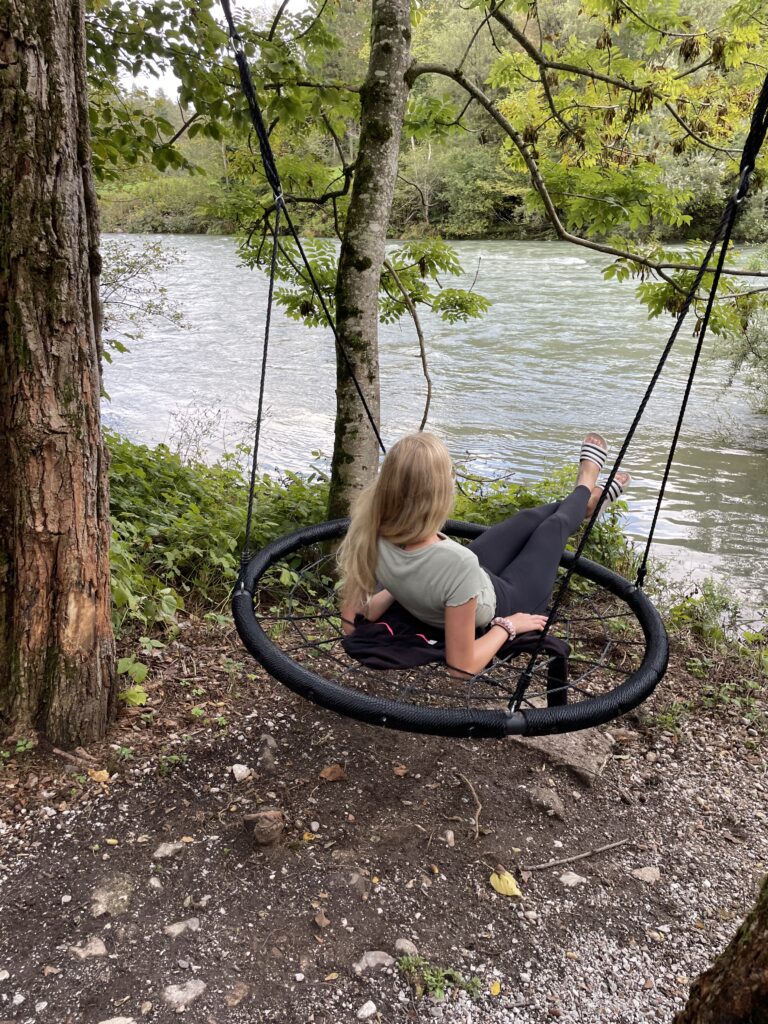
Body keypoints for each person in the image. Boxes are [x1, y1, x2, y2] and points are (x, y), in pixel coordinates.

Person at [338, 432, 629, 677]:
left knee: (528, 519)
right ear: (440, 494)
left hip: (452, 579)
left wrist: (402, 582)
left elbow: (355, 619)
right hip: (505, 601)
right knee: (553, 527)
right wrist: (508, 626)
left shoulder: (367, 528)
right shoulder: (458, 562)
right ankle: (585, 484)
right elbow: (461, 667)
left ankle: (584, 504)